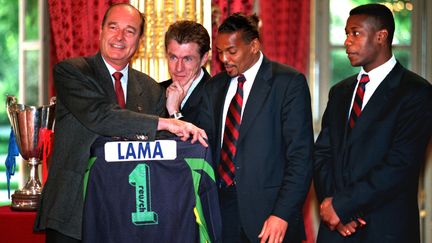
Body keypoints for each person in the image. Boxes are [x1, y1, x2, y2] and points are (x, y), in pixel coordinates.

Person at [33, 3, 207, 242]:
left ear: (139, 40)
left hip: (127, 216)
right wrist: (165, 122)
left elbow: (164, 151)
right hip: (73, 215)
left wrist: (173, 115)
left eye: (130, 31)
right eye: (113, 27)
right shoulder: (72, 72)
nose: (120, 37)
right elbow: (102, 116)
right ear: (101, 30)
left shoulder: (150, 88)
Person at [314, 3, 432, 242]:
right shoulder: (340, 92)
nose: (347, 41)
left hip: (385, 229)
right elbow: (321, 155)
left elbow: (400, 165)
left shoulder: (416, 92)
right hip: (336, 230)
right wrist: (333, 209)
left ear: (381, 36)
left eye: (355, 33)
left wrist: (344, 206)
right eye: (346, 33)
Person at [198, 13, 314, 243]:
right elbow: (201, 144)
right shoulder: (214, 87)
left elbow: (301, 158)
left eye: (232, 51)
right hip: (222, 214)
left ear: (254, 45)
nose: (224, 59)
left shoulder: (288, 83)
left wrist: (281, 214)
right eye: (220, 52)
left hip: (270, 217)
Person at [161, 20, 211, 124]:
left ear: (204, 59)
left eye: (187, 59)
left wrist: (174, 111)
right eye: (173, 57)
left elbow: (203, 140)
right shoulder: (155, 92)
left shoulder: (216, 95)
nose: (179, 68)